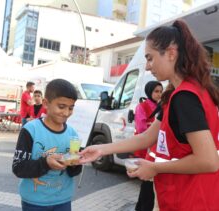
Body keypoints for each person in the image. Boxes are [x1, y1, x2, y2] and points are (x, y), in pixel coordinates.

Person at [79, 19, 219, 211]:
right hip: (192, 195)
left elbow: (209, 161)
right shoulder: (182, 93)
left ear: (171, 53)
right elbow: (147, 137)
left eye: (150, 58)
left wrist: (155, 168)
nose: (147, 66)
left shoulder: (185, 97)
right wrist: (102, 149)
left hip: (190, 200)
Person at [12, 79, 82, 211]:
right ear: (46, 103)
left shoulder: (73, 134)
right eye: (61, 106)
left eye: (71, 108)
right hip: (34, 202)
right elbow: (18, 167)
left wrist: (76, 162)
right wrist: (46, 163)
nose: (66, 113)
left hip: (63, 200)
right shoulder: (30, 130)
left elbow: (74, 171)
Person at [134, 81, 163, 211]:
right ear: (149, 92)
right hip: (146, 150)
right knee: (147, 186)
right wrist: (154, 128)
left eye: (161, 91)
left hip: (158, 152)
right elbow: (141, 129)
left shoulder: (162, 106)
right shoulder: (142, 106)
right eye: (156, 91)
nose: (159, 94)